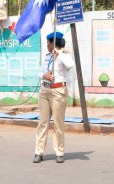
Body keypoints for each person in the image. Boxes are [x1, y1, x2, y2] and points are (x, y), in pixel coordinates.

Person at [33, 32, 74, 164]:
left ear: (52, 43)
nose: (46, 45)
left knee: (58, 123)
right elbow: (40, 72)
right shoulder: (47, 57)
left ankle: (59, 151)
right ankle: (38, 152)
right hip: (45, 90)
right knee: (42, 122)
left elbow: (70, 65)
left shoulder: (64, 56)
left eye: (48, 43)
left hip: (58, 91)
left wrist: (59, 54)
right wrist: (44, 76)